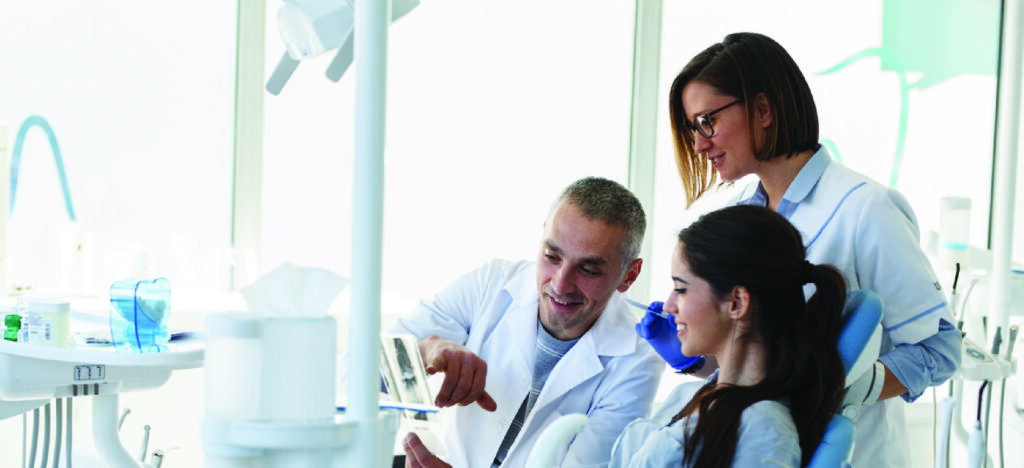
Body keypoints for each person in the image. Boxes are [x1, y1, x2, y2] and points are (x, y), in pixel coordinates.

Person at [639, 32, 961, 467]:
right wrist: (696, 357)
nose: (699, 144)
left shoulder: (866, 209)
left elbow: (939, 351)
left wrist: (847, 386)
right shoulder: (740, 213)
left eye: (707, 122)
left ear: (763, 109)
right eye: (692, 128)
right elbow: (756, 354)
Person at [394, 176, 664, 467]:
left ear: (629, 275)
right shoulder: (490, 285)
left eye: (587, 269)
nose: (560, 284)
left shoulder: (638, 360)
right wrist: (423, 350)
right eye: (552, 256)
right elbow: (355, 372)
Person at [611, 205, 846, 467]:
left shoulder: (763, 431)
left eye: (681, 289)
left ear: (737, 302)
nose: (668, 306)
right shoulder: (692, 395)